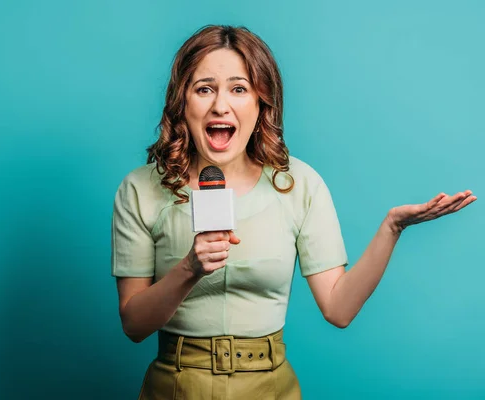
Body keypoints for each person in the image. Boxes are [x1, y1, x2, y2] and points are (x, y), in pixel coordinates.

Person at [110, 25, 476, 400]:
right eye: (204, 88)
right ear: (182, 101)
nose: (221, 105)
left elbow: (339, 309)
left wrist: (392, 228)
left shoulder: (300, 184)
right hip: (175, 385)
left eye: (239, 88)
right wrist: (190, 269)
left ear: (261, 102)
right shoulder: (141, 189)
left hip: (270, 386)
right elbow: (134, 325)